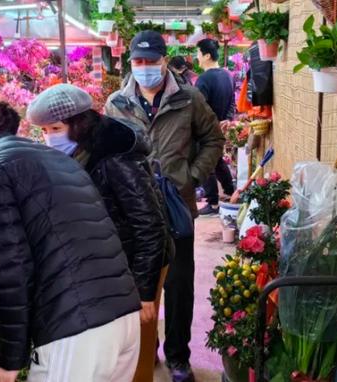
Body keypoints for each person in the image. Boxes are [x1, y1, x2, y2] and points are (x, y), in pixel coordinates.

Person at [0, 102, 141, 382]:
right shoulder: (48, 155)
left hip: (76, 333)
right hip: (123, 318)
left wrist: (8, 361)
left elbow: (11, 274)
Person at [27, 84, 173, 382]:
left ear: (79, 124)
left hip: (140, 264)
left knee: (137, 354)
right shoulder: (81, 153)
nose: (49, 137)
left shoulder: (115, 156)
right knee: (118, 352)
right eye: (43, 130)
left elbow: (150, 226)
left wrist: (145, 294)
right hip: (114, 266)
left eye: (55, 128)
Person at [104, 30, 225, 382]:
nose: (144, 68)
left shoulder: (189, 99)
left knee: (178, 286)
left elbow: (213, 138)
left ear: (163, 60)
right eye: (137, 62)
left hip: (177, 208)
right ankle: (147, 349)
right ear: (131, 64)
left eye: (151, 61)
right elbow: (109, 154)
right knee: (139, 287)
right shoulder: (117, 104)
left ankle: (178, 357)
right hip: (134, 214)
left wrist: (192, 175)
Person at [195, 38, 236, 215]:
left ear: (207, 55)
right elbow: (232, 102)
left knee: (205, 163)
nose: (197, 57)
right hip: (221, 127)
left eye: (198, 53)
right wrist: (227, 120)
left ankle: (212, 203)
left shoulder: (204, 79)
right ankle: (230, 192)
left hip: (205, 129)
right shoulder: (227, 75)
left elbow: (199, 107)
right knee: (218, 161)